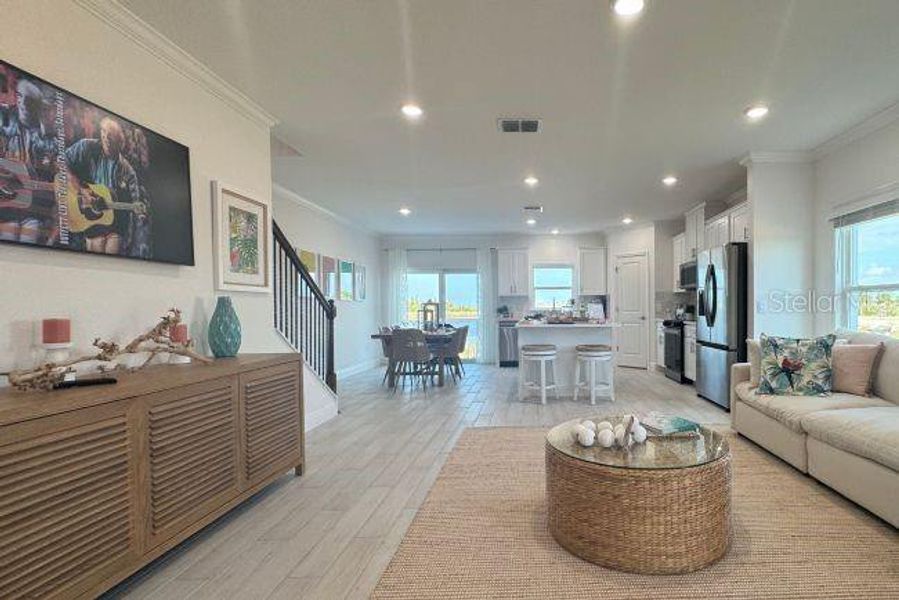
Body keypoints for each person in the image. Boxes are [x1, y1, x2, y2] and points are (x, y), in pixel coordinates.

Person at [65, 116, 143, 254]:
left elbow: (136, 205)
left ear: (120, 142)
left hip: (116, 225)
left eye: (111, 136)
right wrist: (82, 190)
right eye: (104, 132)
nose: (106, 138)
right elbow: (62, 162)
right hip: (91, 221)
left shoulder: (128, 172)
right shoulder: (86, 147)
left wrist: (138, 215)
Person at [0, 78, 57, 243]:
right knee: (8, 238)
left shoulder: (46, 136)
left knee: (28, 240)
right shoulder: (5, 120)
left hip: (33, 207)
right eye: (21, 97)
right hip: (7, 205)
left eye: (30, 101)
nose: (24, 104)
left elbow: (51, 173)